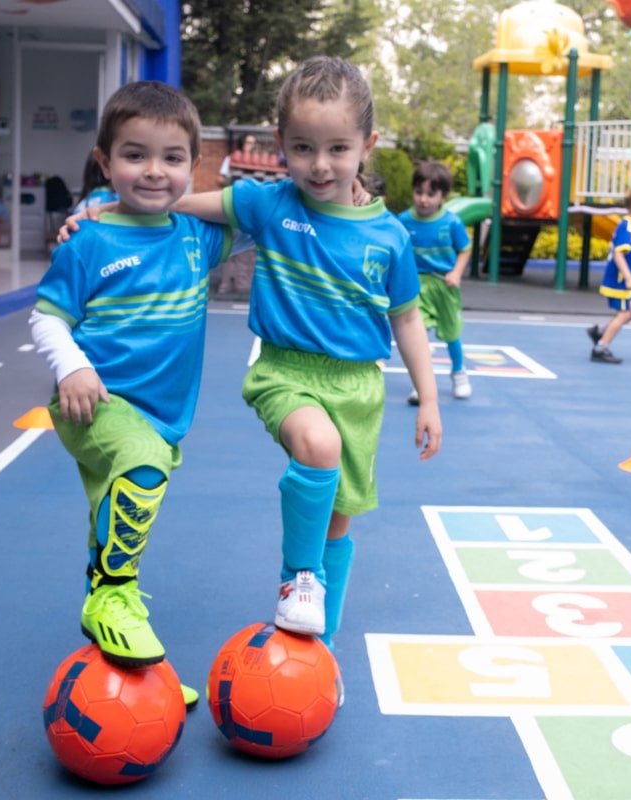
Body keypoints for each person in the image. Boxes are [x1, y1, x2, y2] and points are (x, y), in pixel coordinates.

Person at [171, 55, 443, 655]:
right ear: (280, 144)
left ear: (367, 145)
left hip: (359, 388)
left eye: (338, 148)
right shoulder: (271, 205)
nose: (319, 165)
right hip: (285, 373)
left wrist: (429, 397)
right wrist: (101, 214)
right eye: (302, 148)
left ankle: (318, 653)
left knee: (339, 521)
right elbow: (183, 204)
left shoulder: (389, 236)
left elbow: (406, 318)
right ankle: (297, 578)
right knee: (319, 448)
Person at [29, 82, 236, 708]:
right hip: (94, 404)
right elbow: (47, 317)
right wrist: (71, 369)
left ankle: (123, 669)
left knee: (113, 528)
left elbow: (273, 212)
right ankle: (110, 597)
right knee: (140, 475)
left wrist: (343, 188)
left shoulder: (195, 238)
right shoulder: (89, 240)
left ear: (193, 166)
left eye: (172, 158)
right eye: (135, 155)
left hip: (160, 416)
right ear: (104, 161)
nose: (154, 171)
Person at [398, 160, 472, 404]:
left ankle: (459, 372)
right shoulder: (402, 221)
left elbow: (465, 249)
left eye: (431, 194)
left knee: (452, 333)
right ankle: (422, 385)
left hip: (444, 285)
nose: (423, 199)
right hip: (417, 286)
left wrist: (456, 273)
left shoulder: (451, 222)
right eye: (419, 192)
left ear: (443, 196)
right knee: (418, 334)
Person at [588, 183, 631, 364]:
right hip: (619, 280)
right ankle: (601, 347)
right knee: (624, 314)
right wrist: (628, 277)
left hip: (621, 279)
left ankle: (601, 332)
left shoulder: (630, 225)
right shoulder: (628, 228)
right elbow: (619, 253)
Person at [215, 134, 258, 298]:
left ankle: (243, 285)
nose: (250, 146)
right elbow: (220, 178)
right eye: (248, 142)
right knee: (231, 246)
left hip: (252, 209)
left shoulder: (256, 160)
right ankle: (226, 284)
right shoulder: (231, 159)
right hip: (233, 205)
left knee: (248, 250)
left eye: (253, 143)